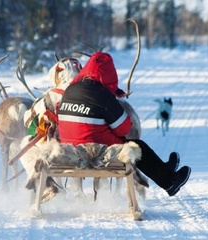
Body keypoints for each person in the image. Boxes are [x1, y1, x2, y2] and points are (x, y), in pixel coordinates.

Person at [57, 52, 191, 197]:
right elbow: (124, 129)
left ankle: (164, 169)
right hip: (95, 153)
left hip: (70, 150)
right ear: (109, 74)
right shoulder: (103, 94)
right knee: (138, 146)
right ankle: (170, 182)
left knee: (135, 146)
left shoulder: (70, 90)